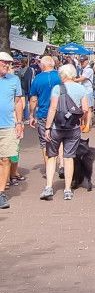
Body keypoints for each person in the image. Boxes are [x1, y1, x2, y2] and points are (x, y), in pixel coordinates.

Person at [40, 64, 89, 201]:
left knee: (52, 156)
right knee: (69, 157)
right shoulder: (81, 88)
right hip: (73, 128)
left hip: (57, 127)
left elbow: (53, 108)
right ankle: (67, 190)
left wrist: (48, 127)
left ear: (64, 75)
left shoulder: (57, 88)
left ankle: (49, 187)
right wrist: (81, 121)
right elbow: (85, 109)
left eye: (60, 74)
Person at [0, 52, 24, 209]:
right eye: (4, 63)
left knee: (5, 159)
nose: (7, 66)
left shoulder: (14, 80)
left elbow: (17, 103)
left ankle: (1, 193)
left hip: (8, 125)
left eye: (9, 64)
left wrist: (19, 122)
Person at [29, 56, 62, 169]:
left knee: (44, 141)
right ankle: (62, 164)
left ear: (43, 65)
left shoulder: (37, 79)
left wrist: (31, 115)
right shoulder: (60, 76)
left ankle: (49, 167)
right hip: (60, 112)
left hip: (44, 113)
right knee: (61, 138)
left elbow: (33, 99)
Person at [76, 56, 95, 129]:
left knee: (88, 108)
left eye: (83, 61)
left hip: (88, 91)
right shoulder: (82, 69)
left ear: (87, 61)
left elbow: (82, 78)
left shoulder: (89, 70)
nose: (82, 63)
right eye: (81, 61)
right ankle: (82, 124)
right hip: (82, 90)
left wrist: (72, 80)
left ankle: (87, 126)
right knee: (82, 108)